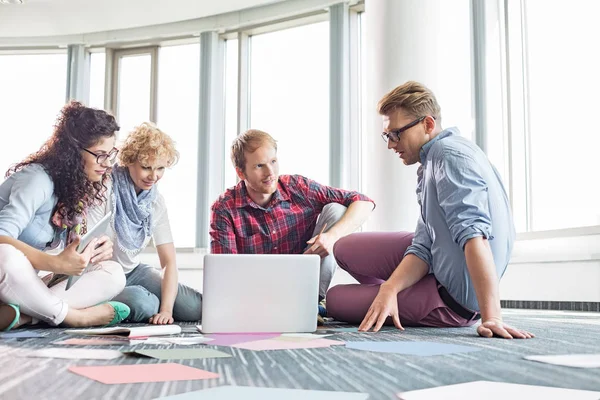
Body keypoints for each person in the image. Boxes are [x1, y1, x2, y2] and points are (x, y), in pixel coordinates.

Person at [326, 81, 534, 339]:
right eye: (387, 135)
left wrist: (492, 317)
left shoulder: (449, 157)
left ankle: (402, 300)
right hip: (439, 263)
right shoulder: (433, 159)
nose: (391, 144)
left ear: (428, 124)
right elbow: (424, 245)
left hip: (450, 301)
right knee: (344, 247)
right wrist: (389, 289)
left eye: (396, 134)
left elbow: (474, 236)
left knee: (335, 300)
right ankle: (390, 298)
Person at [210, 129, 376, 309]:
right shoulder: (224, 208)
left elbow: (364, 202)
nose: (270, 172)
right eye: (259, 166)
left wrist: (331, 237)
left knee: (337, 210)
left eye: (273, 161)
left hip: (304, 284)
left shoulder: (297, 187)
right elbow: (225, 273)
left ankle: (313, 302)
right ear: (241, 173)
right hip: (256, 293)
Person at [0, 101, 130, 331]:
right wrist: (55, 262)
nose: (108, 163)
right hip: (6, 271)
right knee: (6, 255)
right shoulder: (37, 179)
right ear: (72, 153)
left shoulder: (75, 189)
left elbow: (67, 254)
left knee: (113, 273)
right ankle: (74, 317)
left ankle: (27, 316)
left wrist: (90, 251)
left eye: (111, 154)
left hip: (20, 285)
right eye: (100, 155)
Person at [88, 122, 202, 324]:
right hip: (101, 275)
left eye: (160, 168)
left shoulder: (155, 202)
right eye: (146, 167)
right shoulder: (105, 188)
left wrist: (167, 310)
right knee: (143, 303)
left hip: (133, 271)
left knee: (194, 307)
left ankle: (145, 304)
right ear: (129, 161)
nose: (154, 176)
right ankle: (90, 305)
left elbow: (168, 262)